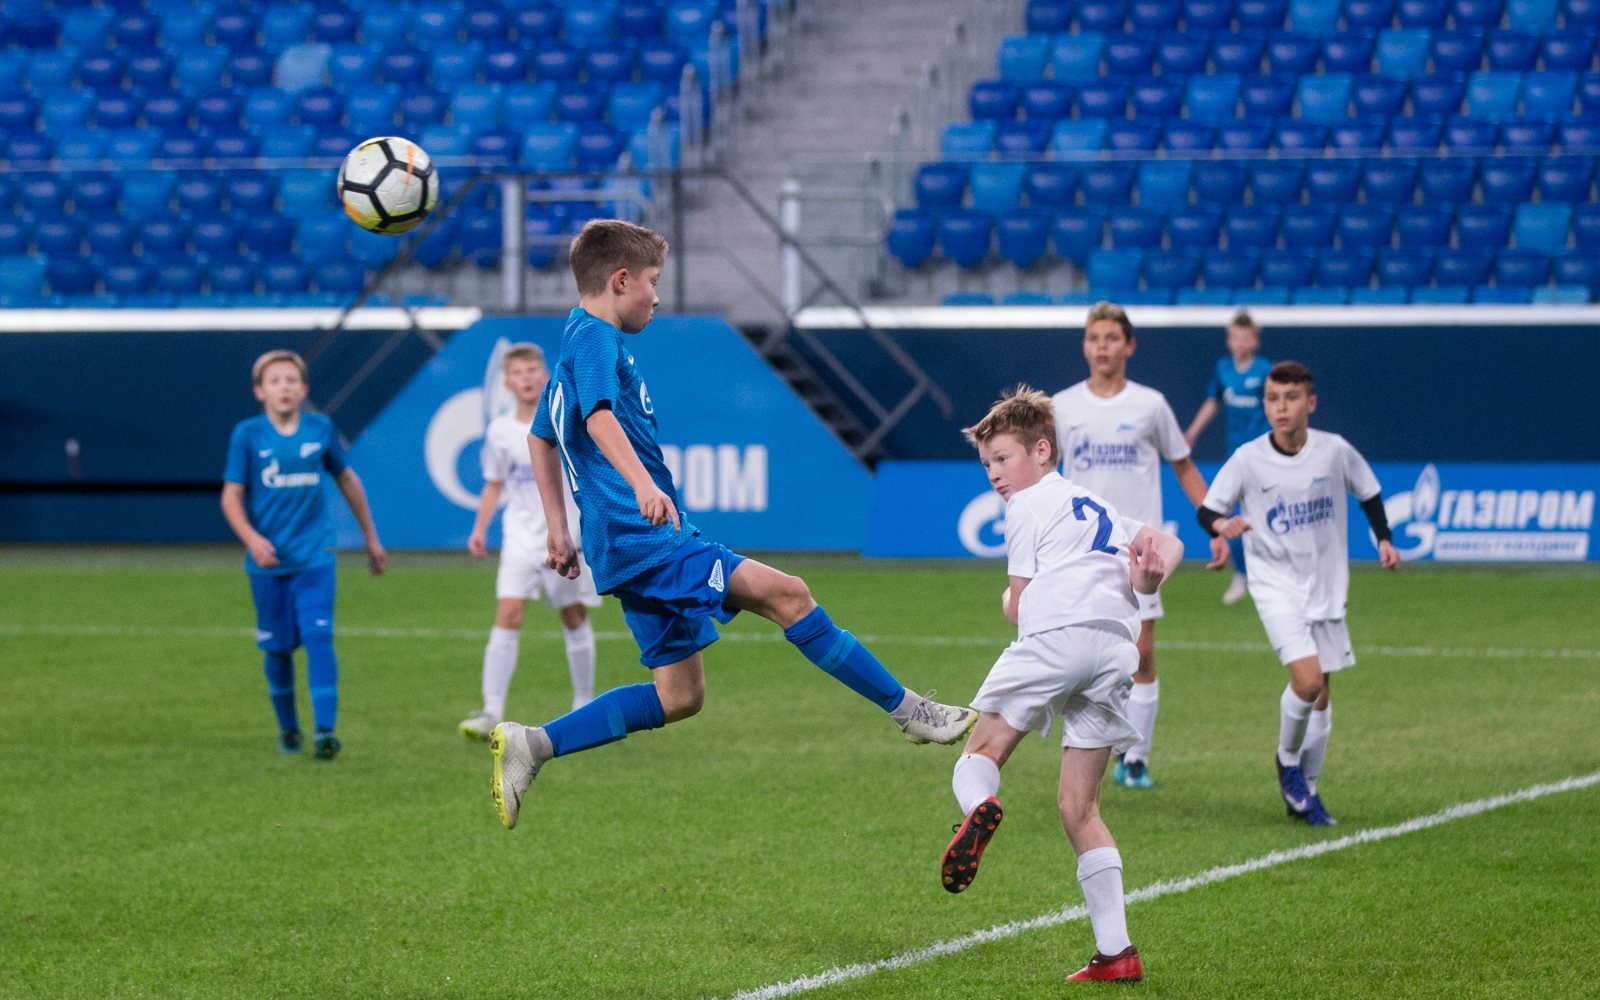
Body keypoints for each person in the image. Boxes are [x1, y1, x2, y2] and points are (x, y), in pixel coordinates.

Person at [488, 219, 976, 830]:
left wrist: (559, 528)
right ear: (620, 281)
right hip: (644, 539)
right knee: (789, 594)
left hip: (619, 546)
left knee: (679, 697)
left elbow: (542, 435)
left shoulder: (572, 339)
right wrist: (640, 486)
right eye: (651, 282)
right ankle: (909, 710)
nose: (658, 296)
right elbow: (596, 422)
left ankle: (535, 744)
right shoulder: (596, 341)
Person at [941, 386, 1183, 984]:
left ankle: (981, 807)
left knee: (977, 755)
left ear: (1042, 450)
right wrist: (1151, 579)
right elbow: (1167, 543)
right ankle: (1117, 952)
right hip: (1114, 650)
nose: (996, 475)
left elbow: (1021, 607)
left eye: (1003, 458)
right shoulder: (1095, 505)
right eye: (988, 464)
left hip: (1059, 637)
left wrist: (1006, 598)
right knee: (1081, 807)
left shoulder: (1025, 506)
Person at [1198, 361, 1400, 827]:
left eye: (1290, 399)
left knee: (1323, 694)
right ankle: (1287, 762)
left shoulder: (1333, 452)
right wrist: (1222, 524)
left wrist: (1384, 538)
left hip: (1325, 587)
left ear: (1310, 403)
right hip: (1274, 584)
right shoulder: (1249, 458)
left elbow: (1368, 492)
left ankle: (1306, 793)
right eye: (1272, 399)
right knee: (1308, 682)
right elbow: (1208, 509)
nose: (1280, 407)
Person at [1051, 302, 1229, 790]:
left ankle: (1135, 757)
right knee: (1083, 657)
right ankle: (1089, 746)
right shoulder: (1063, 406)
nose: (1102, 346)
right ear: (1084, 346)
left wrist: (1213, 524)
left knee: (1141, 655)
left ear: (1129, 346)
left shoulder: (1150, 405)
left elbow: (1184, 465)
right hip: (1080, 550)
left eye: (1111, 338)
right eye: (1093, 338)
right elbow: (1045, 474)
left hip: (1138, 553)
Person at [221, 350, 387, 759]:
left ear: (304, 389)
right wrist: (252, 539)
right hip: (269, 564)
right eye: (275, 381)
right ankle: (289, 729)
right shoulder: (247, 435)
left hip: (315, 556)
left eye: (292, 380)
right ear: (260, 391)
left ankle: (324, 732)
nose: (285, 388)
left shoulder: (320, 429)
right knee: (277, 648)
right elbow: (231, 496)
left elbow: (347, 479)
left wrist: (371, 537)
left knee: (318, 636)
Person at [460, 342, 602, 740]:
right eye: (517, 373)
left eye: (532, 371)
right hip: (520, 537)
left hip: (564, 536)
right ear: (506, 383)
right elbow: (494, 483)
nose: (525, 379)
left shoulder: (564, 421)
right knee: (508, 612)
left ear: (544, 376)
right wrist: (479, 528)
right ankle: (491, 710)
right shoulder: (501, 430)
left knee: (572, 615)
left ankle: (584, 702)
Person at [1183, 312, 1273, 606]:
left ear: (1256, 341)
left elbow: (1277, 407)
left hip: (1264, 455)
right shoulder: (1223, 369)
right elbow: (1213, 401)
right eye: (1235, 337)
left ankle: (1269, 573)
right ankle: (1241, 574)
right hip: (1234, 456)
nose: (1239, 343)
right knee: (1228, 514)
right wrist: (1193, 431)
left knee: (1265, 514)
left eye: (1245, 338)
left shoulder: (1265, 371)